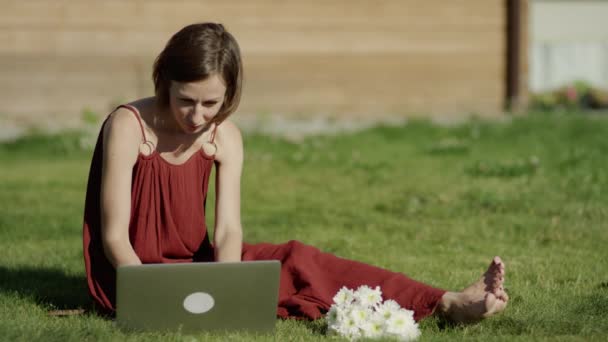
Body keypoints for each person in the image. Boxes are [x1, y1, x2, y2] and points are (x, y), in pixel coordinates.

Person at [82, 22, 508, 324]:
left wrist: (225, 289)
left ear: (229, 95)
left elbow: (228, 230)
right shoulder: (127, 126)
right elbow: (114, 237)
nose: (197, 115)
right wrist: (152, 296)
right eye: (185, 100)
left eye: (210, 103)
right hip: (131, 275)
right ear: (165, 84)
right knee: (281, 277)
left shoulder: (226, 137)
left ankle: (446, 302)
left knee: (302, 261)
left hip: (200, 264)